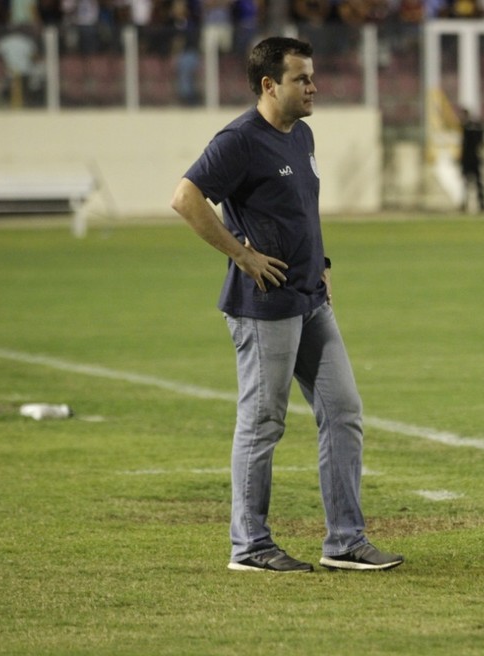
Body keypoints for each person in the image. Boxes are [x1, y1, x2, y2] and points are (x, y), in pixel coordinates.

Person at [170, 36, 404, 573]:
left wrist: (320, 263)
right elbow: (186, 198)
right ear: (270, 85)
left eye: (312, 77)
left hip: (311, 299)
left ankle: (345, 540)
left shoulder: (301, 135)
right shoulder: (239, 140)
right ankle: (249, 546)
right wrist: (242, 256)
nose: (313, 86)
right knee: (263, 421)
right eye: (301, 79)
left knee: (343, 411)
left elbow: (298, 211)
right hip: (264, 306)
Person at [458, 106, 484, 212]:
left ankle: (466, 203)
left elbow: (464, 144)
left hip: (468, 158)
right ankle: (481, 204)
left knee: (467, 182)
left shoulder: (465, 127)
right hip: (476, 157)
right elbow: (482, 141)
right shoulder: (477, 126)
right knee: (478, 182)